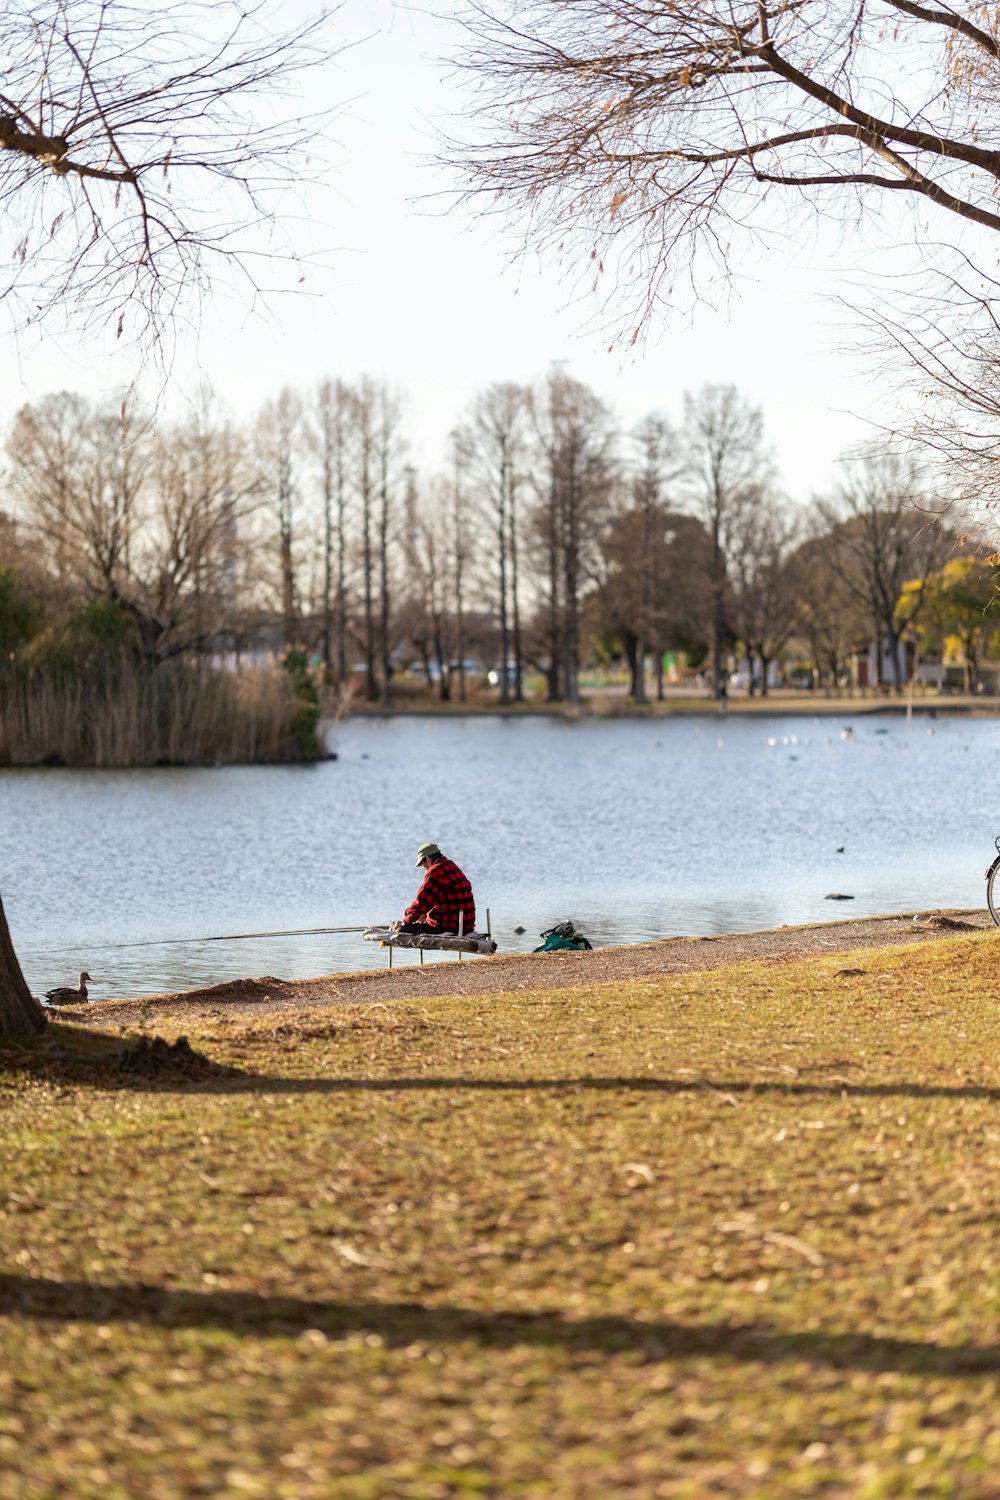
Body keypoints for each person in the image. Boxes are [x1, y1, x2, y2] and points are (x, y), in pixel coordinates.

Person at [395, 842, 476, 935]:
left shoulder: (435, 871)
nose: (423, 867)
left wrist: (407, 920)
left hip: (447, 927)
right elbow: (444, 899)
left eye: (422, 863)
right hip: (466, 926)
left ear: (428, 859)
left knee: (401, 931)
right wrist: (425, 915)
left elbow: (422, 902)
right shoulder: (450, 865)